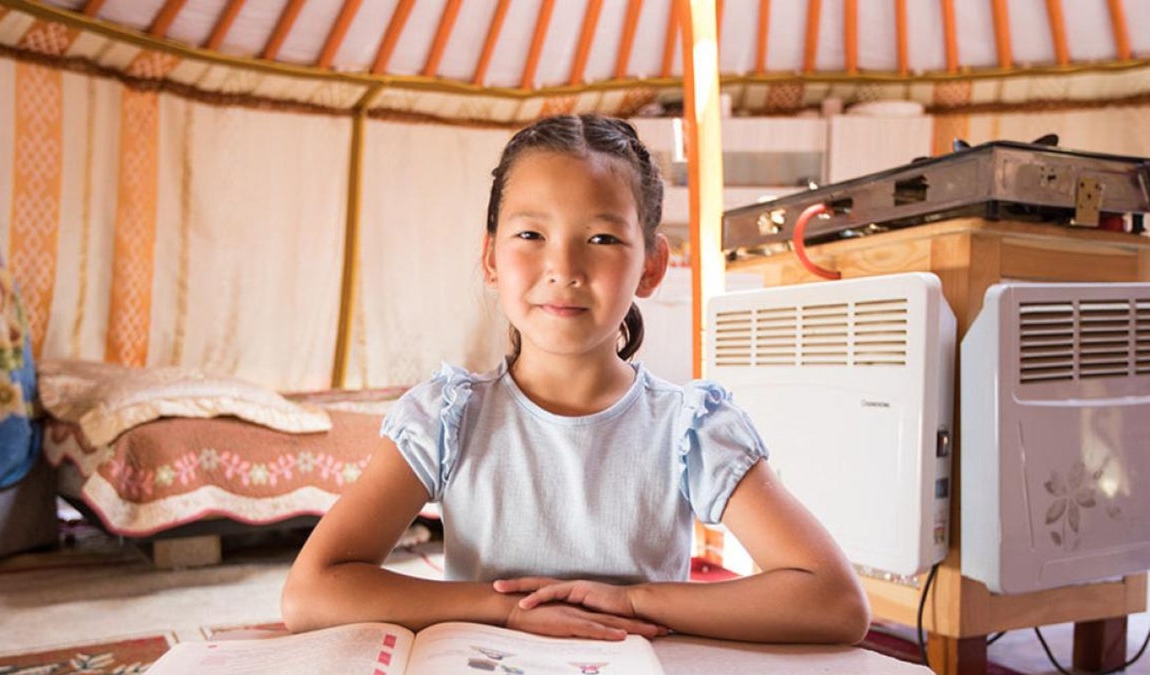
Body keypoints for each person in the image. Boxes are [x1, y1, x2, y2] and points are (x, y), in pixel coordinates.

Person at [282, 114, 870, 645]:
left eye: (603, 239)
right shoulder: (448, 417)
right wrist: (504, 609)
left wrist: (634, 600)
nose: (563, 269)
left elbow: (834, 600)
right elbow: (311, 593)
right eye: (531, 235)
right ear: (490, 259)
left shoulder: (689, 428)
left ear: (652, 266)